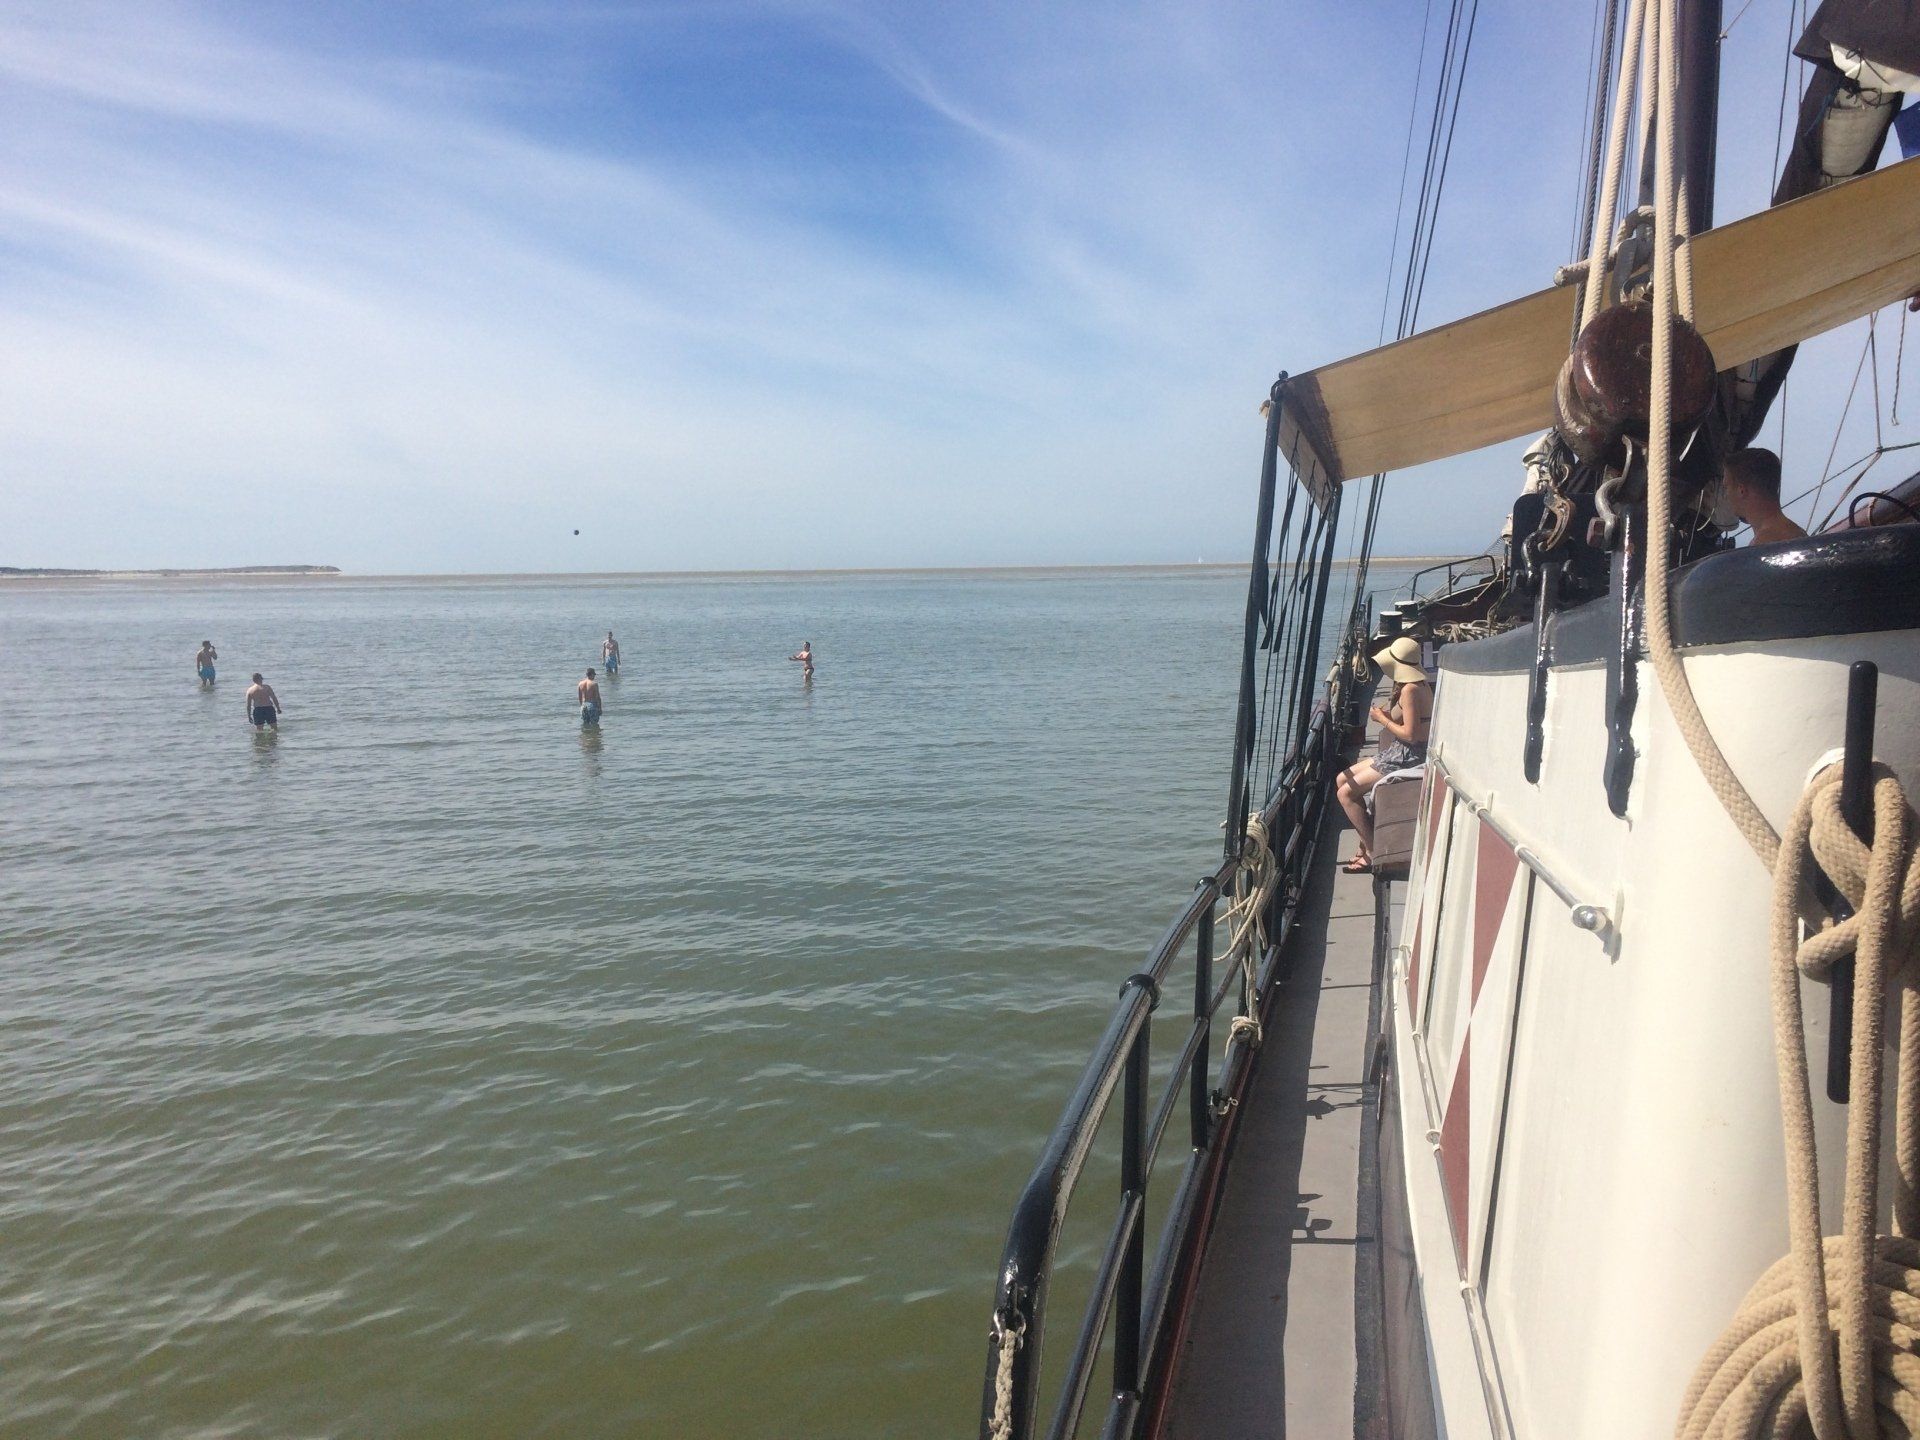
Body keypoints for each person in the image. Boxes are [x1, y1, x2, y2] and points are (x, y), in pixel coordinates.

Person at [1336, 637, 1432, 873]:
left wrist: (1382, 720)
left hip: (1409, 754)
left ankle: (1371, 852)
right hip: (1400, 749)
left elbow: (1411, 735)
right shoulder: (1416, 684)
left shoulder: (1409, 690)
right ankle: (1365, 840)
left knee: (1346, 793)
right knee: (1341, 778)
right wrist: (1387, 713)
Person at [1721, 447, 1807, 546]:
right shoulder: (1793, 533)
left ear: (1741, 491)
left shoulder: (1767, 543)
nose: (1725, 495)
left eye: (1726, 487)